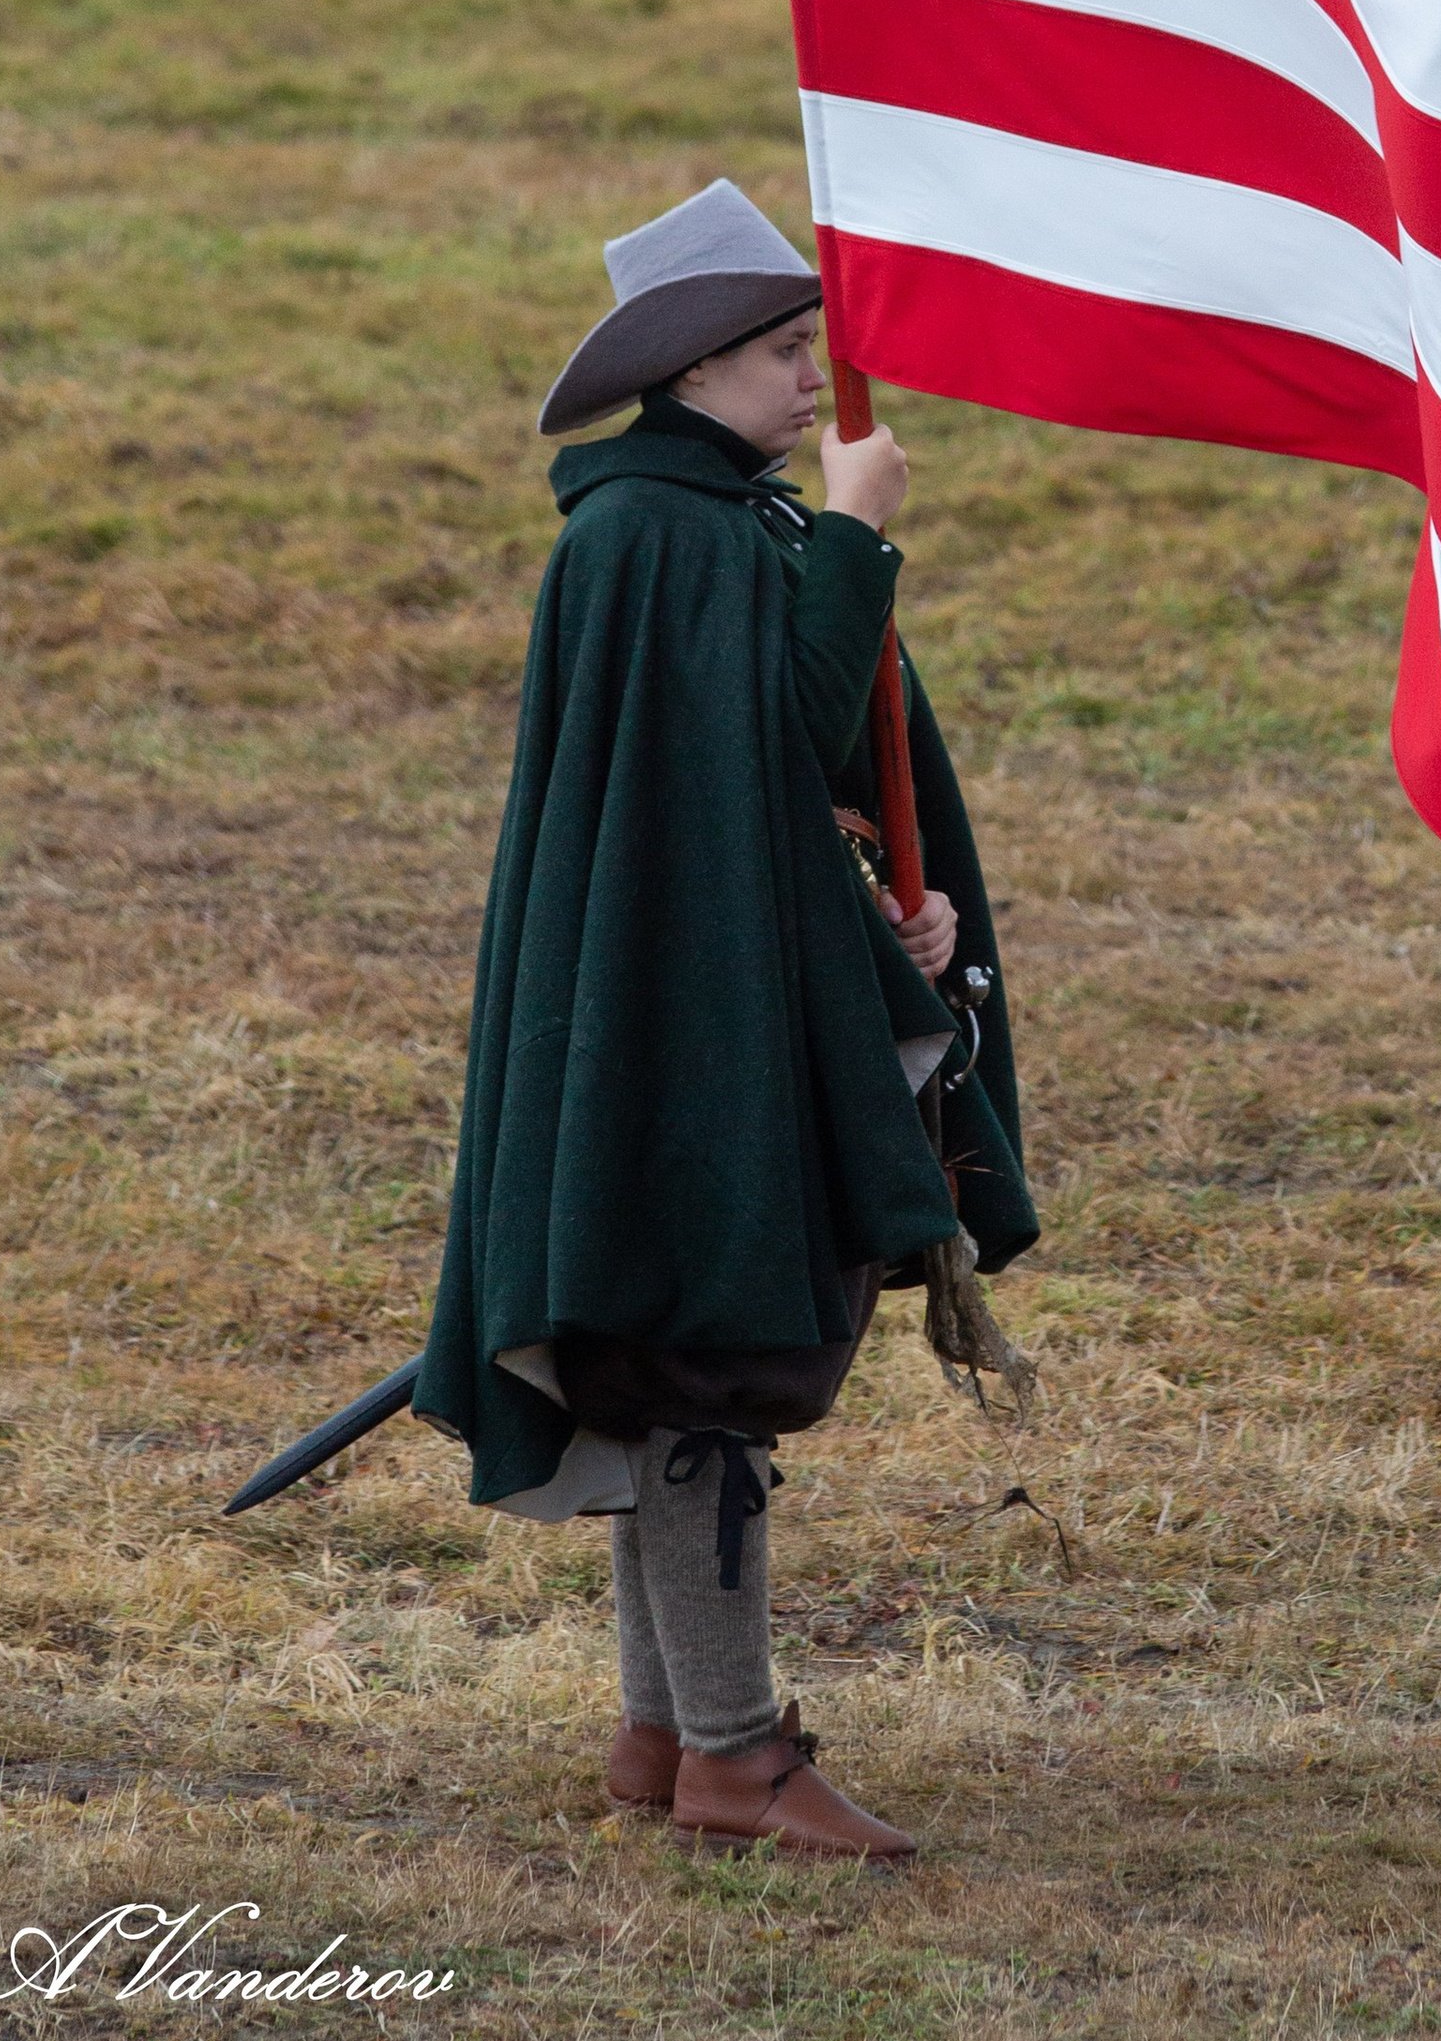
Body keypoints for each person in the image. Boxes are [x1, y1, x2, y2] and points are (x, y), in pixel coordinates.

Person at [414, 181, 1034, 1864]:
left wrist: (891, 919)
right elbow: (783, 727)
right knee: (697, 1348)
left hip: (723, 982)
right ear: (690, 370)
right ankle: (734, 1755)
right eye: (778, 351)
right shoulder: (651, 537)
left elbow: (791, 786)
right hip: (673, 1018)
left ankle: (662, 1729)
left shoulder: (713, 527)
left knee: (680, 1356)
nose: (810, 376)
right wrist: (859, 533)